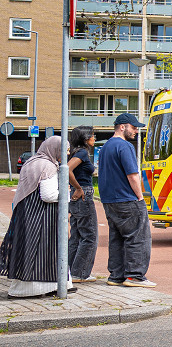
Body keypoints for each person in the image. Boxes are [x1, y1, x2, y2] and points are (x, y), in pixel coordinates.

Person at [0, 136, 72, 297]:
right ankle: (33, 290)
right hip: (41, 215)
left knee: (27, 248)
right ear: (55, 149)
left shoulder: (32, 161)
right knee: (41, 252)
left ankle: (55, 284)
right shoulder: (48, 166)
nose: (66, 154)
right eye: (64, 150)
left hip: (26, 211)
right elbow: (48, 195)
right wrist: (66, 194)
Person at [99, 113, 155, 287]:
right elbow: (132, 175)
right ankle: (134, 276)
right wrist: (139, 196)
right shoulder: (125, 147)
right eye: (134, 127)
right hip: (127, 199)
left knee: (117, 238)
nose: (136, 131)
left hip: (109, 200)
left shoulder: (106, 147)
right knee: (138, 237)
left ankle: (116, 275)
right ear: (122, 127)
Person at [66, 126, 99, 281]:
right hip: (83, 194)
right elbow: (66, 170)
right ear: (85, 138)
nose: (94, 138)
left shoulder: (75, 152)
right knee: (90, 236)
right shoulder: (82, 152)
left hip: (76, 194)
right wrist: (79, 188)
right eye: (92, 135)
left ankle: (69, 272)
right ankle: (80, 273)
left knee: (77, 236)